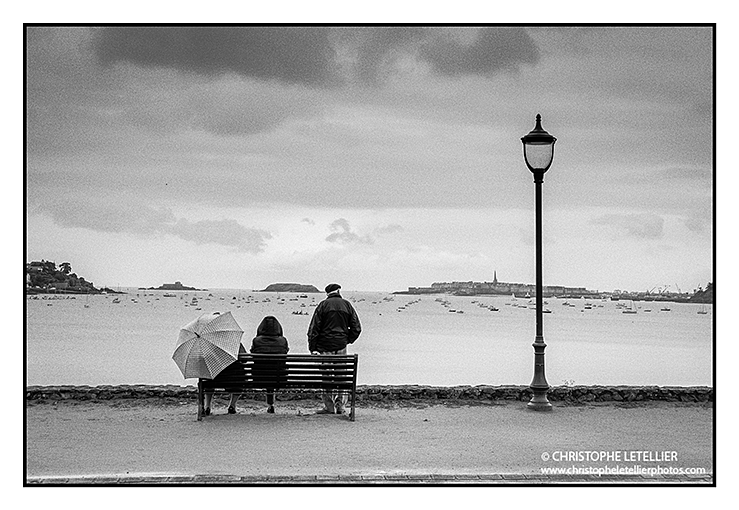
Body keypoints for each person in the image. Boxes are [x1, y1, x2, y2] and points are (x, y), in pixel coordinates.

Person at [307, 283, 361, 415]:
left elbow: (314, 329)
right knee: (341, 376)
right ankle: (340, 405)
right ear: (338, 291)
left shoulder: (322, 306)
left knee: (326, 376)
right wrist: (347, 340)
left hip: (325, 346)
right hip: (341, 345)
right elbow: (357, 328)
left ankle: (329, 406)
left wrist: (312, 347)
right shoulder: (347, 305)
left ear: (327, 293)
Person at [250, 315, 290, 413]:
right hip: (279, 377)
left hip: (259, 377)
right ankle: (271, 404)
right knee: (275, 370)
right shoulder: (283, 341)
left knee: (266, 370)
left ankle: (270, 405)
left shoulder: (256, 341)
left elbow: (252, 354)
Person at [204, 342, 246, 416]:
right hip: (233, 380)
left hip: (215, 380)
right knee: (240, 377)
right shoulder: (234, 341)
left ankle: (207, 406)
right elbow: (245, 359)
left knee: (208, 379)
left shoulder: (209, 344)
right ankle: (232, 405)